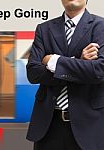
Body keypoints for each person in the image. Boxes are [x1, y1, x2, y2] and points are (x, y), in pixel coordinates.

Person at [26, 0, 104, 150]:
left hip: (90, 126)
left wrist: (53, 60)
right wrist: (79, 62)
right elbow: (33, 73)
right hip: (49, 126)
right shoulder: (44, 29)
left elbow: (99, 71)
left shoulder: (101, 26)